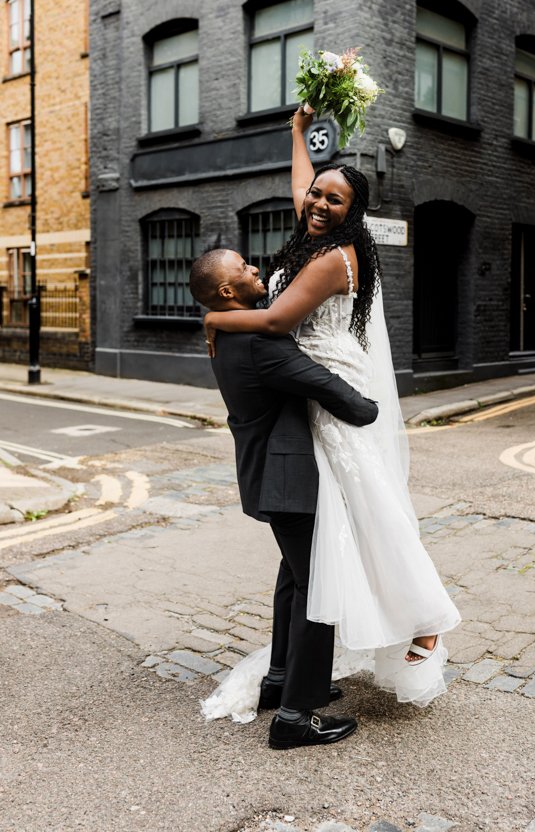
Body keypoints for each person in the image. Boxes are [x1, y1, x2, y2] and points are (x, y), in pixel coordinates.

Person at [202, 107, 461, 715]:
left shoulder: (330, 259)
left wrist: (214, 317)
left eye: (333, 200)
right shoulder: (319, 229)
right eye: (318, 195)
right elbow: (301, 185)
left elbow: (274, 320)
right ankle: (293, 677)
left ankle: (424, 618)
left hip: (326, 384)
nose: (317, 203)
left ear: (354, 212)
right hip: (307, 384)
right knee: (330, 536)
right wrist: (297, 133)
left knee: (367, 514)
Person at [189, 248, 379, 749]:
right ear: (228, 292)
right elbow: (330, 390)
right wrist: (370, 407)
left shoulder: (228, 333)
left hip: (267, 478)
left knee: (293, 580)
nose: (256, 270)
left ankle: (278, 680)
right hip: (289, 482)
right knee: (318, 588)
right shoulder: (258, 342)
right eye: (246, 270)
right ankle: (297, 716)